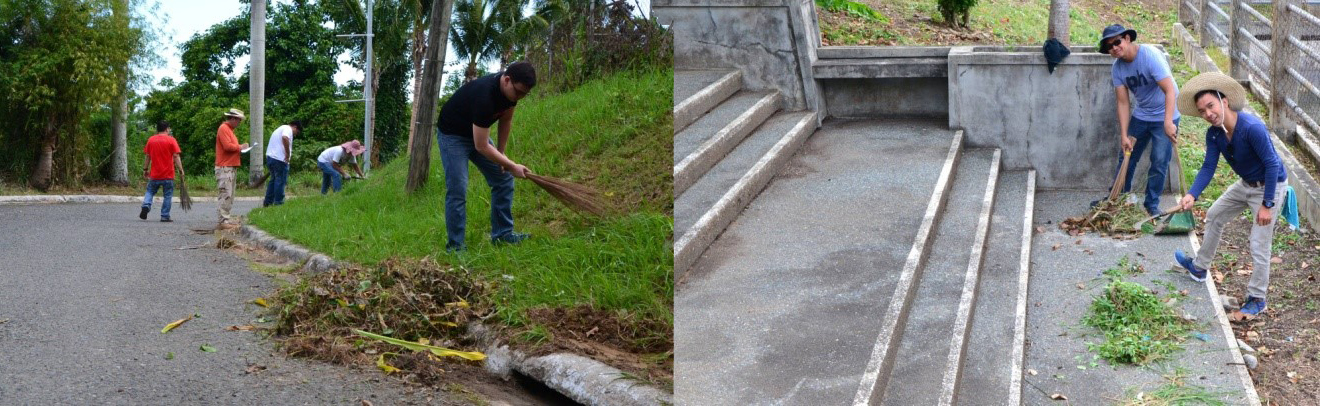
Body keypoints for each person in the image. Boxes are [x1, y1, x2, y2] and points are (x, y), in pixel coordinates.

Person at [1173, 72, 1288, 316]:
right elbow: (1208, 167)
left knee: (1259, 243)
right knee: (1215, 215)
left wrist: (1268, 203)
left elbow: (1271, 164)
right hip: (1246, 184)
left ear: (1224, 101)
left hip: (1269, 186)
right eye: (1202, 111)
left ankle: (1257, 297)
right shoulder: (1214, 134)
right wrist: (1192, 194)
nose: (1208, 114)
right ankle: (1199, 268)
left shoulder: (1251, 128)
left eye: (1210, 106)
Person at [435, 61, 537, 251]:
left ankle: (502, 235)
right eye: (519, 92)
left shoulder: (511, 94)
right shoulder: (485, 96)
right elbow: (481, 146)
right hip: (453, 136)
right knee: (458, 189)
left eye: (525, 94)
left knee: (504, 179)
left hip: (476, 133)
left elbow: (506, 121)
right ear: (507, 80)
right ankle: (456, 247)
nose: (520, 98)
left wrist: (502, 154)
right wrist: (512, 165)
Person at [1099, 24, 1181, 215]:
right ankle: (1119, 198)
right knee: (1127, 155)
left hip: (1165, 114)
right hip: (1142, 114)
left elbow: (1170, 90)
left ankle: (1151, 205)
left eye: (1117, 42)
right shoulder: (1117, 69)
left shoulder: (1149, 56)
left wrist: (1168, 122)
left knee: (1160, 160)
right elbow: (1123, 103)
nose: (1115, 48)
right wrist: (1124, 135)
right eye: (1110, 46)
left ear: (1127, 38)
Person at [139, 120, 184, 222]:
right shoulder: (171, 140)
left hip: (155, 174)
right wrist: (181, 170)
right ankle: (164, 216)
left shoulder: (151, 140)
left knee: (150, 191)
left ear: (157, 129)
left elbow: (148, 156)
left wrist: (145, 169)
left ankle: (146, 205)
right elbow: (176, 156)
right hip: (168, 175)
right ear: (167, 129)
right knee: (167, 195)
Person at [215, 108, 250, 228]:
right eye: (238, 120)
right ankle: (223, 221)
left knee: (230, 194)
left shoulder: (230, 130)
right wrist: (241, 147)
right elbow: (227, 146)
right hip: (225, 166)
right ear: (233, 118)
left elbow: (231, 147)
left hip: (230, 166)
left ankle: (226, 219)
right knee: (226, 193)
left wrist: (240, 148)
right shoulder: (224, 128)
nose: (239, 122)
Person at [263, 120, 301, 207]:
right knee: (280, 181)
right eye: (297, 132)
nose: (295, 134)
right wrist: (287, 154)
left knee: (273, 180)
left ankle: (268, 202)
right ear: (295, 127)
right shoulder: (287, 129)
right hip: (279, 159)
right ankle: (279, 203)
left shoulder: (280, 128)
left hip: (270, 157)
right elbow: (285, 137)